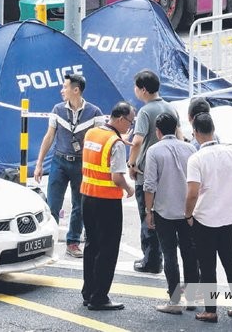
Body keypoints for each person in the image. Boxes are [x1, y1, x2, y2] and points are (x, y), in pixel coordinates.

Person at [185, 112, 232, 323]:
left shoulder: (196, 159)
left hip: (204, 219)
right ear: (213, 129)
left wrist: (188, 215)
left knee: (207, 264)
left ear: (195, 133)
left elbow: (192, 193)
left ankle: (210, 311)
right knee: (231, 261)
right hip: (228, 218)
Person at [34, 73, 103, 258]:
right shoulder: (57, 110)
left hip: (82, 163)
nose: (61, 90)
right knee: (53, 203)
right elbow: (49, 137)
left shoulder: (94, 112)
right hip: (59, 161)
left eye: (65, 87)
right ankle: (48, 241)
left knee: (79, 205)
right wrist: (39, 163)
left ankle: (73, 243)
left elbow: (100, 140)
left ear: (76, 90)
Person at [80, 102, 135, 311]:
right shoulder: (116, 144)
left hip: (87, 196)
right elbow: (117, 177)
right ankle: (100, 297)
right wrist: (129, 189)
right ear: (120, 119)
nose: (130, 126)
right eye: (130, 122)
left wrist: (120, 140)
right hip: (107, 201)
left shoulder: (92, 133)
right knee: (108, 249)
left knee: (91, 245)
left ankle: (88, 292)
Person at [144, 111, 199, 314]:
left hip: (164, 211)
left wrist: (148, 211)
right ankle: (192, 298)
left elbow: (150, 185)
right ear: (177, 128)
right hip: (187, 211)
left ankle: (174, 301)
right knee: (190, 253)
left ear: (157, 131)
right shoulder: (190, 148)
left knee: (170, 255)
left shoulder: (154, 151)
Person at [127, 69, 179, 273]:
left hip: (147, 171)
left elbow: (137, 141)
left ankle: (151, 260)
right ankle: (163, 258)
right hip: (168, 171)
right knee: (165, 216)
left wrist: (132, 163)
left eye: (136, 87)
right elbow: (179, 134)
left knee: (147, 215)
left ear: (144, 90)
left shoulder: (145, 111)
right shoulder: (170, 108)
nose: (135, 91)